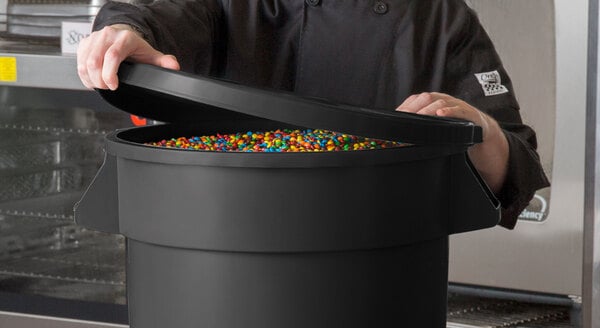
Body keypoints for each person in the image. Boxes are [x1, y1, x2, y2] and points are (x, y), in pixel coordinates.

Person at [77, 0, 548, 228]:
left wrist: (479, 130)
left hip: (379, 271)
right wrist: (123, 30)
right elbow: (157, 12)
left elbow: (513, 169)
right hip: (216, 246)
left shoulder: (438, 18)